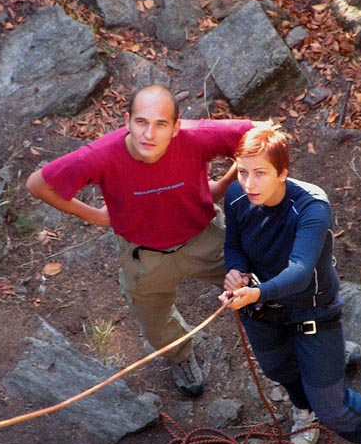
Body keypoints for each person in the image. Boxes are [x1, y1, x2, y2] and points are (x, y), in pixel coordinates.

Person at [26, 84, 253, 397]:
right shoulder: (103, 155)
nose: (149, 134)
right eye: (141, 122)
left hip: (205, 238)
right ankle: (180, 356)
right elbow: (38, 184)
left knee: (258, 286)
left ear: (176, 127)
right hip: (143, 255)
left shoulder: (196, 137)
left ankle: (302, 336)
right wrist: (98, 216)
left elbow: (259, 137)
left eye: (161, 124)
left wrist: (225, 184)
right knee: (155, 322)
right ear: (127, 121)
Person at [218, 126, 361, 444]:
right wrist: (236, 272)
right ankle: (303, 406)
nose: (249, 183)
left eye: (260, 173)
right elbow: (234, 244)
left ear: (282, 172)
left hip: (311, 311)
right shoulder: (236, 197)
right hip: (263, 310)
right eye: (243, 171)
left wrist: (257, 292)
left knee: (333, 407)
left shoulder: (311, 207)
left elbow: (300, 269)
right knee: (279, 370)